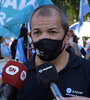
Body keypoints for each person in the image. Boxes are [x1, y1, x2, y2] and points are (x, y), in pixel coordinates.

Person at [1, 5, 90, 100]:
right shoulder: (18, 77)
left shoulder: (87, 70)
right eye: (37, 33)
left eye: (52, 32)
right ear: (30, 36)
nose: (44, 38)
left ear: (68, 35)